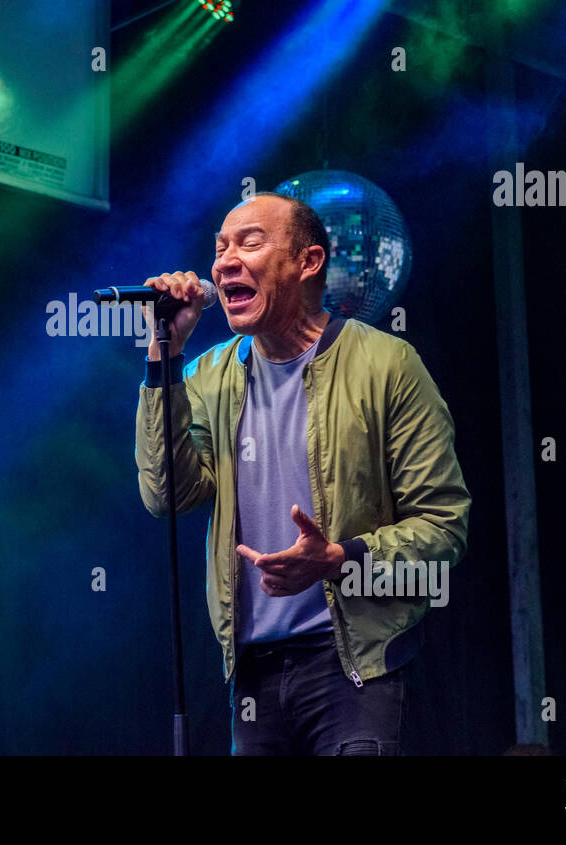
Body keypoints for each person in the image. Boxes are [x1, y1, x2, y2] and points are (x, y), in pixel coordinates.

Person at [135, 192, 470, 755]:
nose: (223, 261)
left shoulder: (388, 364)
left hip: (354, 668)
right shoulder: (208, 376)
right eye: (219, 248)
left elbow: (444, 529)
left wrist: (338, 558)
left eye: (249, 242)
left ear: (308, 262)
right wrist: (164, 357)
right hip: (252, 671)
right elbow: (166, 495)